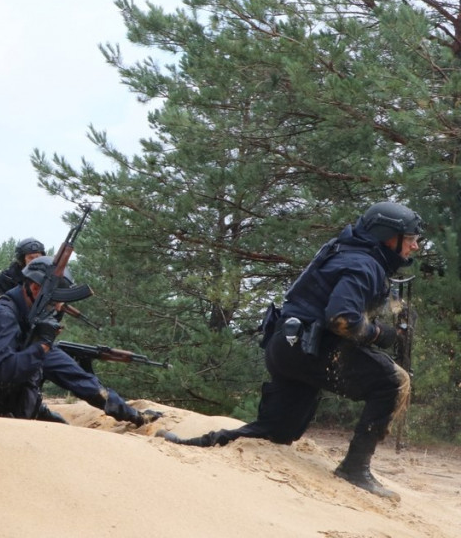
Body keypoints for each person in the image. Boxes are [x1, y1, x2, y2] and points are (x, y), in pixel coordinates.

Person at [159, 201, 421, 501]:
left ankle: (191, 445)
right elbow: (342, 320)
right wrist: (382, 334)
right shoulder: (364, 264)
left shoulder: (348, 252)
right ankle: (355, 469)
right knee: (393, 382)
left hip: (286, 346)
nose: (414, 247)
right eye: (411, 239)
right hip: (309, 350)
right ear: (389, 236)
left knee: (274, 432)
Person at [0, 256, 162, 427]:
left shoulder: (30, 326)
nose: (59, 308)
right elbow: (5, 370)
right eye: (55, 302)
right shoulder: (2, 315)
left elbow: (76, 378)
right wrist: (42, 346)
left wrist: (133, 415)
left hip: (11, 411)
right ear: (34, 288)